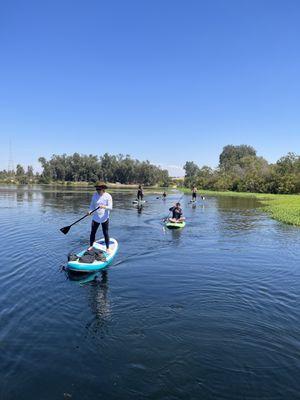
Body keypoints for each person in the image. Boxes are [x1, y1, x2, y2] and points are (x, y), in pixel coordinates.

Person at [88, 182, 113, 253]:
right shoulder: (94, 195)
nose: (97, 190)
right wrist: (90, 211)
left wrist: (104, 206)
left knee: (105, 233)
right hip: (95, 218)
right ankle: (91, 246)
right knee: (93, 232)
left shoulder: (108, 196)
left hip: (104, 218)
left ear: (103, 189)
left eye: (99, 189)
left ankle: (107, 248)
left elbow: (110, 207)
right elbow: (92, 206)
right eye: (96, 189)